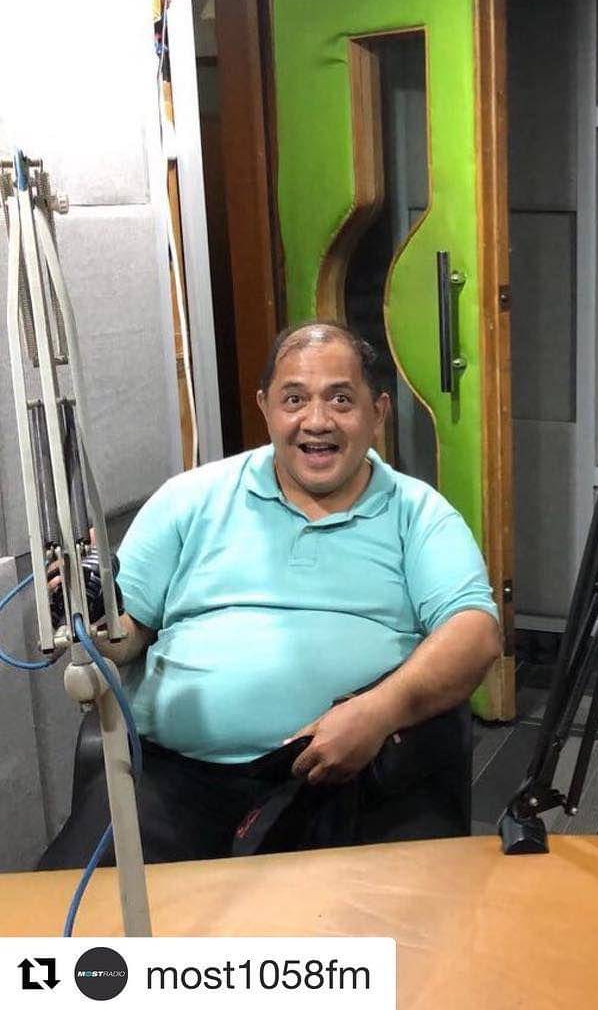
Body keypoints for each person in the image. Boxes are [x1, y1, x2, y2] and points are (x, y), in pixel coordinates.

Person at [41, 320, 501, 866]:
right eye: (294, 399)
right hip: (171, 776)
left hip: (347, 776)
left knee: (399, 916)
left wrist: (380, 712)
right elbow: (127, 632)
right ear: (265, 408)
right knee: (67, 909)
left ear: (377, 413)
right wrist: (94, 621)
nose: (317, 421)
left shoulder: (418, 513)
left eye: (341, 399)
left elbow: (475, 633)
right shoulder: (189, 499)